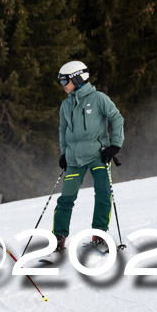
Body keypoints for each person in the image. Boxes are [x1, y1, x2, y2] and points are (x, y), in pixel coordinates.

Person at [52, 61, 124, 252]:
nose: (63, 86)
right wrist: (63, 153)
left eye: (65, 81)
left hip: (98, 156)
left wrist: (114, 146)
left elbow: (117, 118)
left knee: (103, 193)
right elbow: (63, 130)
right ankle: (58, 237)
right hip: (74, 159)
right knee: (65, 199)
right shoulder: (65, 105)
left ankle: (99, 233)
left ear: (77, 78)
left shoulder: (98, 98)